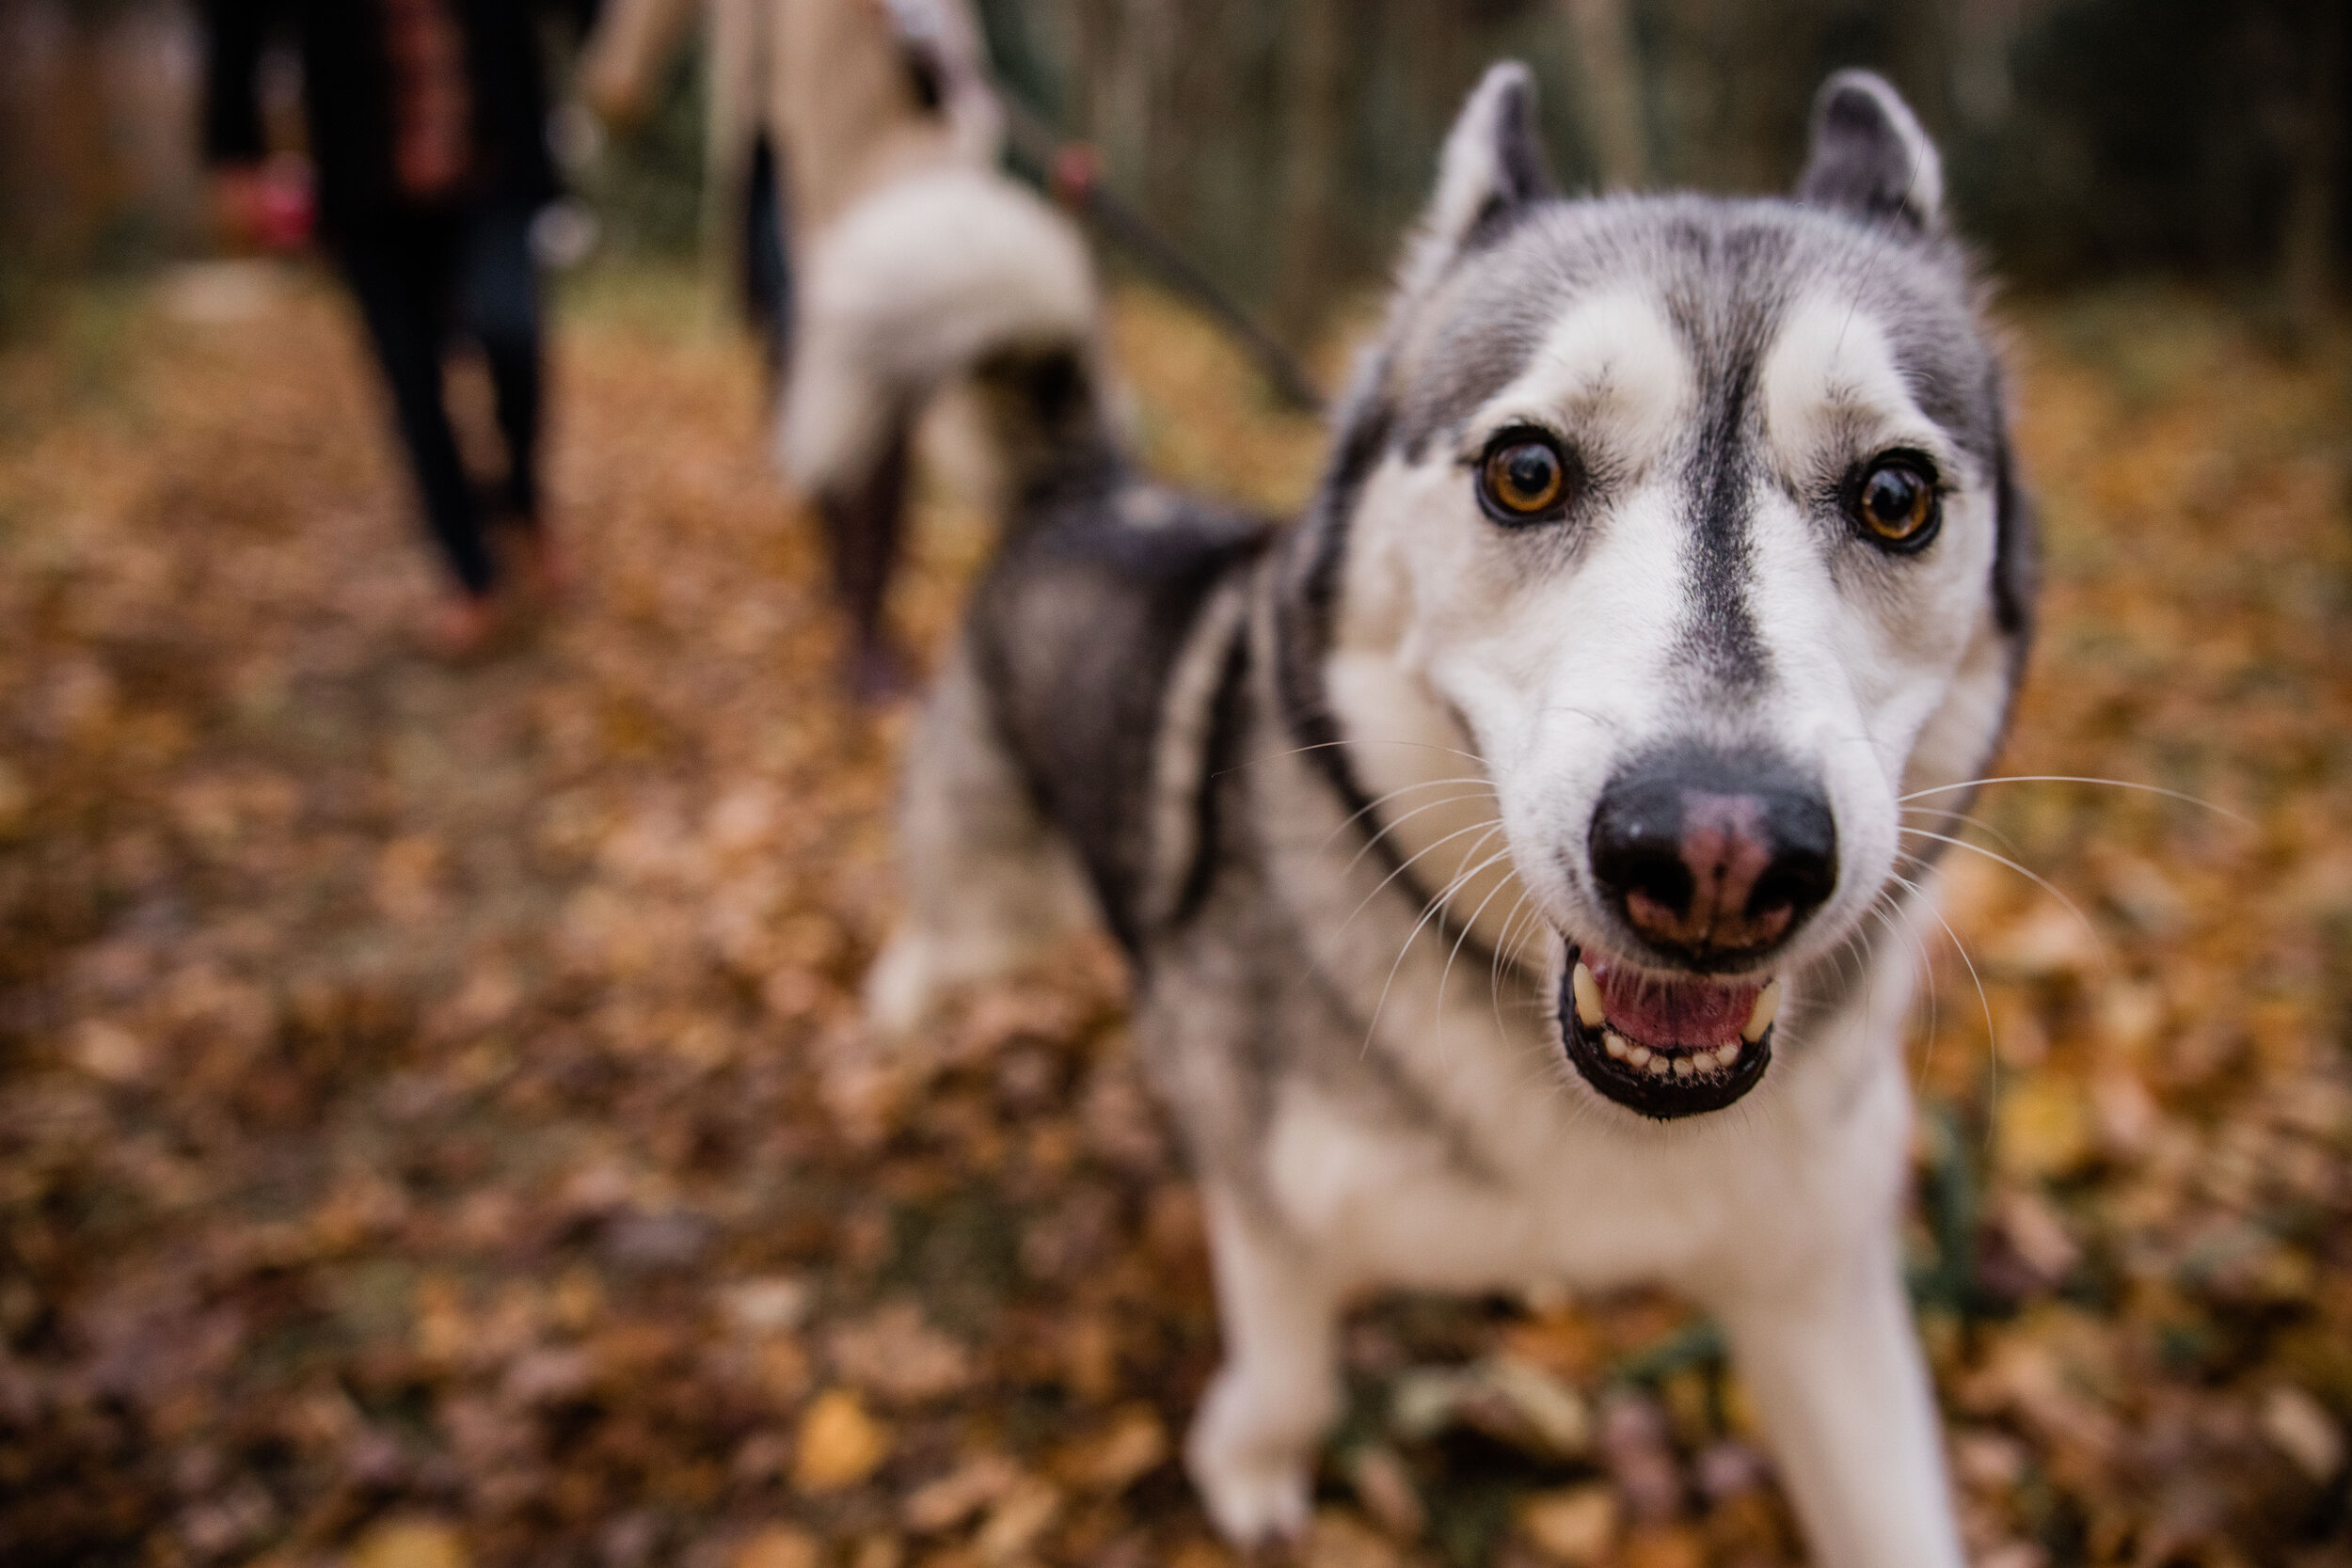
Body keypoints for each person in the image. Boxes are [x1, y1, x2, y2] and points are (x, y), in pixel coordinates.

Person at [584, 0, 1023, 699]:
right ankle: (846, 577)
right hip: (766, 157)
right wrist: (623, 67)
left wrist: (963, 108)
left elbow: (945, 37)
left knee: (874, 393)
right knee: (796, 380)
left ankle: (866, 617)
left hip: (874, 148)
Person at [200, 0, 588, 657]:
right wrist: (236, 151)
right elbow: (236, 23)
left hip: (491, 152)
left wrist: (618, 53)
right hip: (364, 168)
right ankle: (470, 574)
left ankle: (522, 501)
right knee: (411, 384)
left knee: (511, 330)